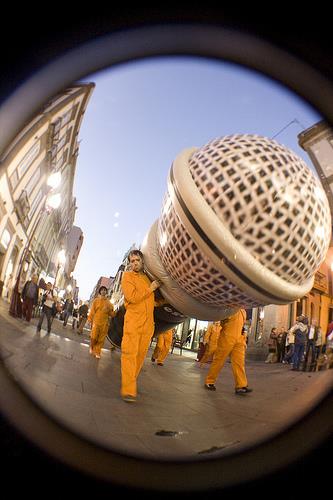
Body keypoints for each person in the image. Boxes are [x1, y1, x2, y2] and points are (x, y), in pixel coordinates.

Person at [120, 249, 161, 402]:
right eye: (132, 261)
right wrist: (151, 288)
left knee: (140, 356)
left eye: (137, 260)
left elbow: (149, 300)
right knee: (129, 354)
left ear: (142, 261)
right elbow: (132, 297)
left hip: (148, 324)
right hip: (133, 322)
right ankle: (128, 390)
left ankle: (131, 382)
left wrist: (163, 301)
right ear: (129, 263)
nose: (135, 263)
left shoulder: (146, 278)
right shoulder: (127, 277)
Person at [204, 309, 252, 395]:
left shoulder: (243, 311)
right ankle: (209, 381)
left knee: (239, 362)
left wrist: (243, 338)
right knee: (219, 360)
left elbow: (242, 326)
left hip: (239, 340)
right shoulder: (230, 308)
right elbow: (221, 318)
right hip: (227, 337)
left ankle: (241, 385)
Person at [87, 286, 115, 359]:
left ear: (106, 292)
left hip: (104, 324)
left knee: (101, 339)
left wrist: (113, 312)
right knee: (94, 337)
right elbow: (92, 311)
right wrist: (90, 319)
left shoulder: (109, 303)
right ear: (100, 292)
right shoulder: (96, 301)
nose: (103, 291)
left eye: (105, 290)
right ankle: (91, 347)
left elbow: (111, 314)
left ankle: (97, 352)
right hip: (96, 322)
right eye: (102, 290)